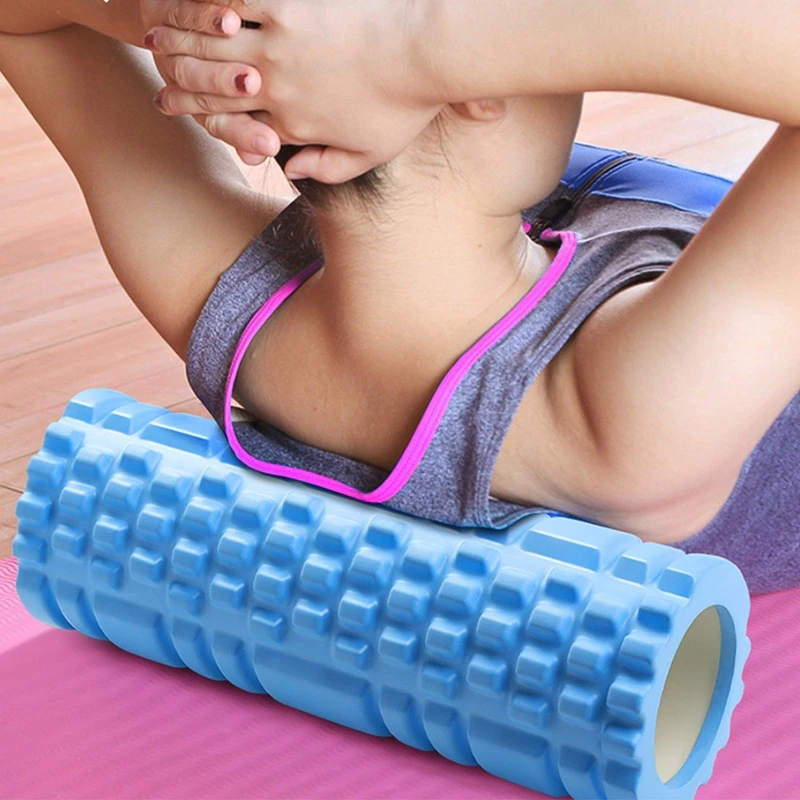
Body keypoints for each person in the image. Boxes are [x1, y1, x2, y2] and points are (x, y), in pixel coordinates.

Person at [1, 0, 798, 593]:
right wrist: (424, 40)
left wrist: (196, 26)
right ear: (475, 89)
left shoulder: (236, 305)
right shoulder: (625, 419)